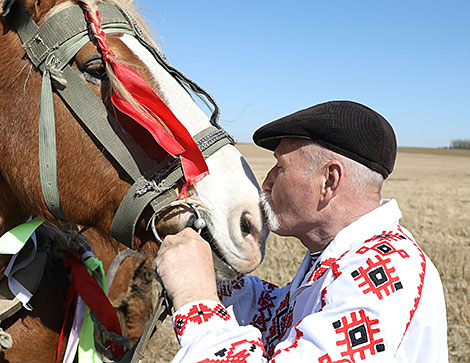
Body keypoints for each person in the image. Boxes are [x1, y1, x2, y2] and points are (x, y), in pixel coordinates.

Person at [156, 101, 448, 362]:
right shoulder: (344, 257)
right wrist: (208, 272)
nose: (266, 182)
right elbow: (276, 318)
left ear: (328, 182)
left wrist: (195, 298)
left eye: (279, 167)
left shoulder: (385, 272)